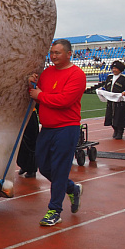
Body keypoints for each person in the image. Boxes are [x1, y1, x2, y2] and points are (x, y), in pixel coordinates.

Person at [28, 39, 86, 227]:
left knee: (60, 169)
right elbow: (39, 91)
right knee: (44, 167)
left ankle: (54, 210)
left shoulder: (77, 74)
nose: (53, 56)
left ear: (69, 54)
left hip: (66, 128)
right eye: (52, 53)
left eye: (57, 53)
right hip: (47, 128)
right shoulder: (47, 72)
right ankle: (72, 188)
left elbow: (64, 100)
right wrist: (33, 85)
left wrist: (40, 95)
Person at [100, 60, 125, 140]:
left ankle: (120, 131)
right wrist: (102, 89)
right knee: (110, 116)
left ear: (120, 69)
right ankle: (115, 129)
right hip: (110, 101)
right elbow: (107, 87)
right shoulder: (109, 77)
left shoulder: (124, 78)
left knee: (119, 117)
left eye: (116, 68)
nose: (114, 70)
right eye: (113, 68)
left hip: (119, 101)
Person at [17, 107, 39, 178]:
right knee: (21, 142)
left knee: (31, 142)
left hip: (30, 114)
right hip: (19, 113)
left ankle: (31, 169)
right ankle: (23, 165)